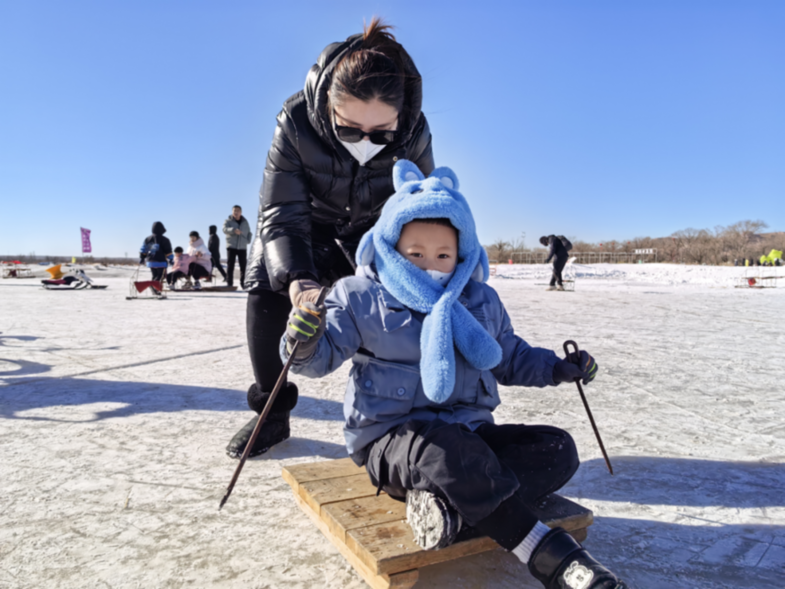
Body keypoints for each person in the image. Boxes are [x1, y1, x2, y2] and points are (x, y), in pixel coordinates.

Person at [282, 161, 627, 589]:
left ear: (462, 254)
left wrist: (557, 367)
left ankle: (449, 513)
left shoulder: (480, 301)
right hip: (392, 438)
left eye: (443, 255)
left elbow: (509, 356)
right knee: (452, 451)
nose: (431, 264)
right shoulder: (361, 296)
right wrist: (305, 338)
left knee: (557, 449)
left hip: (470, 432)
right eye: (417, 254)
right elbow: (316, 360)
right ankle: (549, 558)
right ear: (391, 247)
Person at [226, 18, 434, 459]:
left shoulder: (415, 131)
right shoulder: (296, 121)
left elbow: (420, 207)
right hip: (308, 224)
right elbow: (281, 213)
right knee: (267, 286)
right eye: (350, 130)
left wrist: (416, 265)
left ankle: (403, 410)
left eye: (381, 134)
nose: (366, 144)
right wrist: (298, 279)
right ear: (329, 110)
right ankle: (272, 410)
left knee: (403, 304)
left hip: (371, 231)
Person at [222, 206, 252, 289]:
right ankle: (229, 284)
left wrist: (248, 241)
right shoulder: (228, 221)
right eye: (234, 210)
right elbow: (224, 229)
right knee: (230, 265)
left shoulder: (245, 222)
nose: (236, 212)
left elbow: (249, 233)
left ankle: (243, 283)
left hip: (242, 247)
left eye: (238, 211)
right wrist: (233, 230)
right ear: (232, 212)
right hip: (231, 246)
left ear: (241, 212)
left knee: (243, 266)